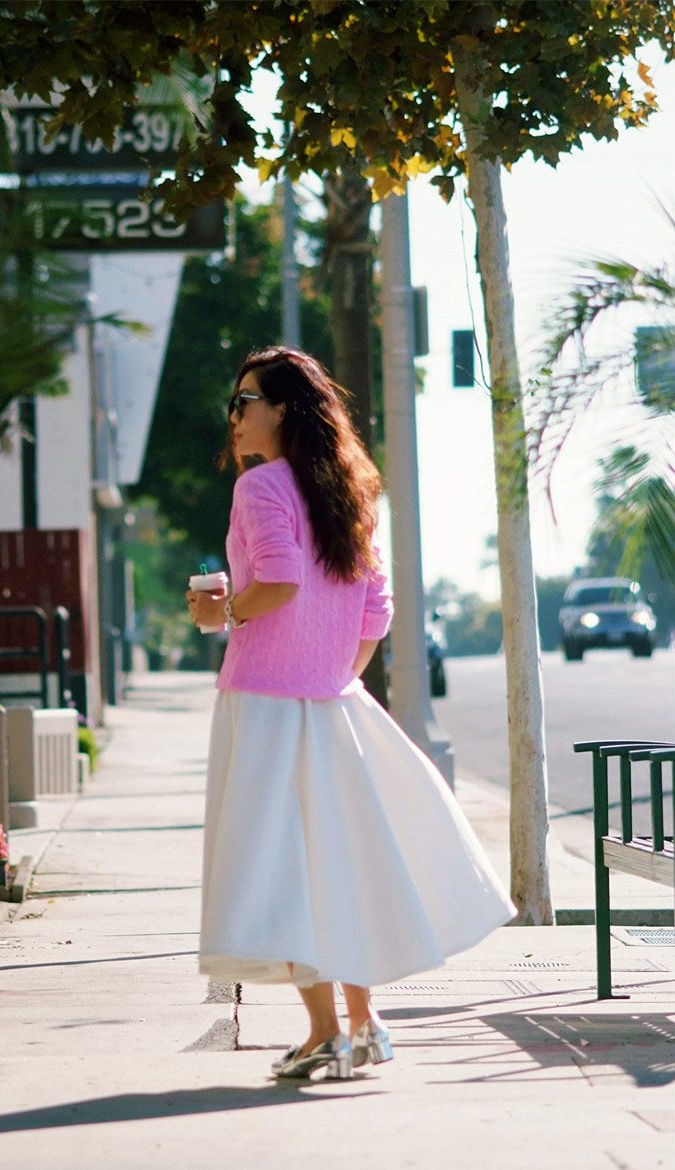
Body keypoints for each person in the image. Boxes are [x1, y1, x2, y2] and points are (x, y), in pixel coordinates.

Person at [187, 347, 515, 1081]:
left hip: (266, 707)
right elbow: (376, 610)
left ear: (283, 411)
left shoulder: (261, 487)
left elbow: (277, 582)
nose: (234, 418)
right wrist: (335, 678)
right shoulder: (348, 493)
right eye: (234, 405)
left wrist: (220, 612)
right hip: (335, 705)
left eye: (245, 402)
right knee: (338, 865)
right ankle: (364, 1028)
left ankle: (326, 1033)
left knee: (284, 872)